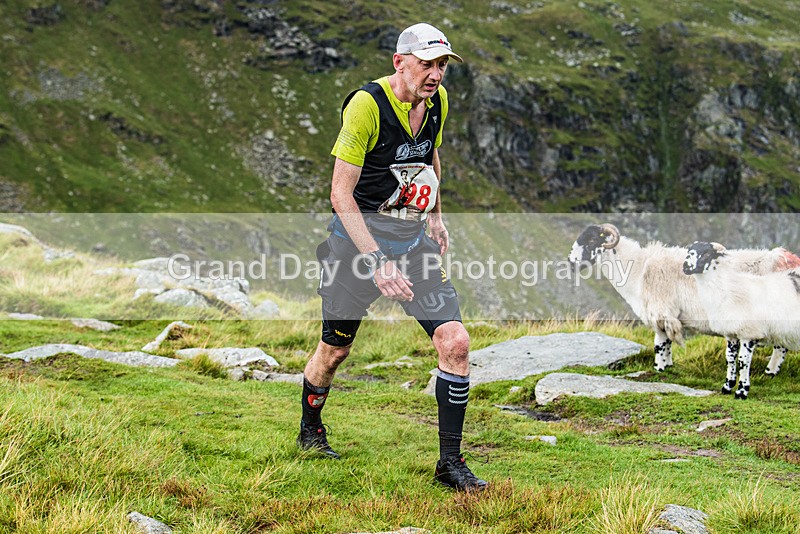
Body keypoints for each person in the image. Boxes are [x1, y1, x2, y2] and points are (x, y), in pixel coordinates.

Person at [296, 22, 487, 492]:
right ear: (399, 62)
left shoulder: (436, 101)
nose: (436, 75)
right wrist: (377, 261)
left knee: (456, 342)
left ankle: (449, 464)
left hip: (412, 240)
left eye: (443, 65)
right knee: (335, 350)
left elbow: (431, 159)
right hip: (354, 244)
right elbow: (340, 194)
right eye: (427, 64)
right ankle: (310, 429)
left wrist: (437, 218)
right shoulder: (366, 106)